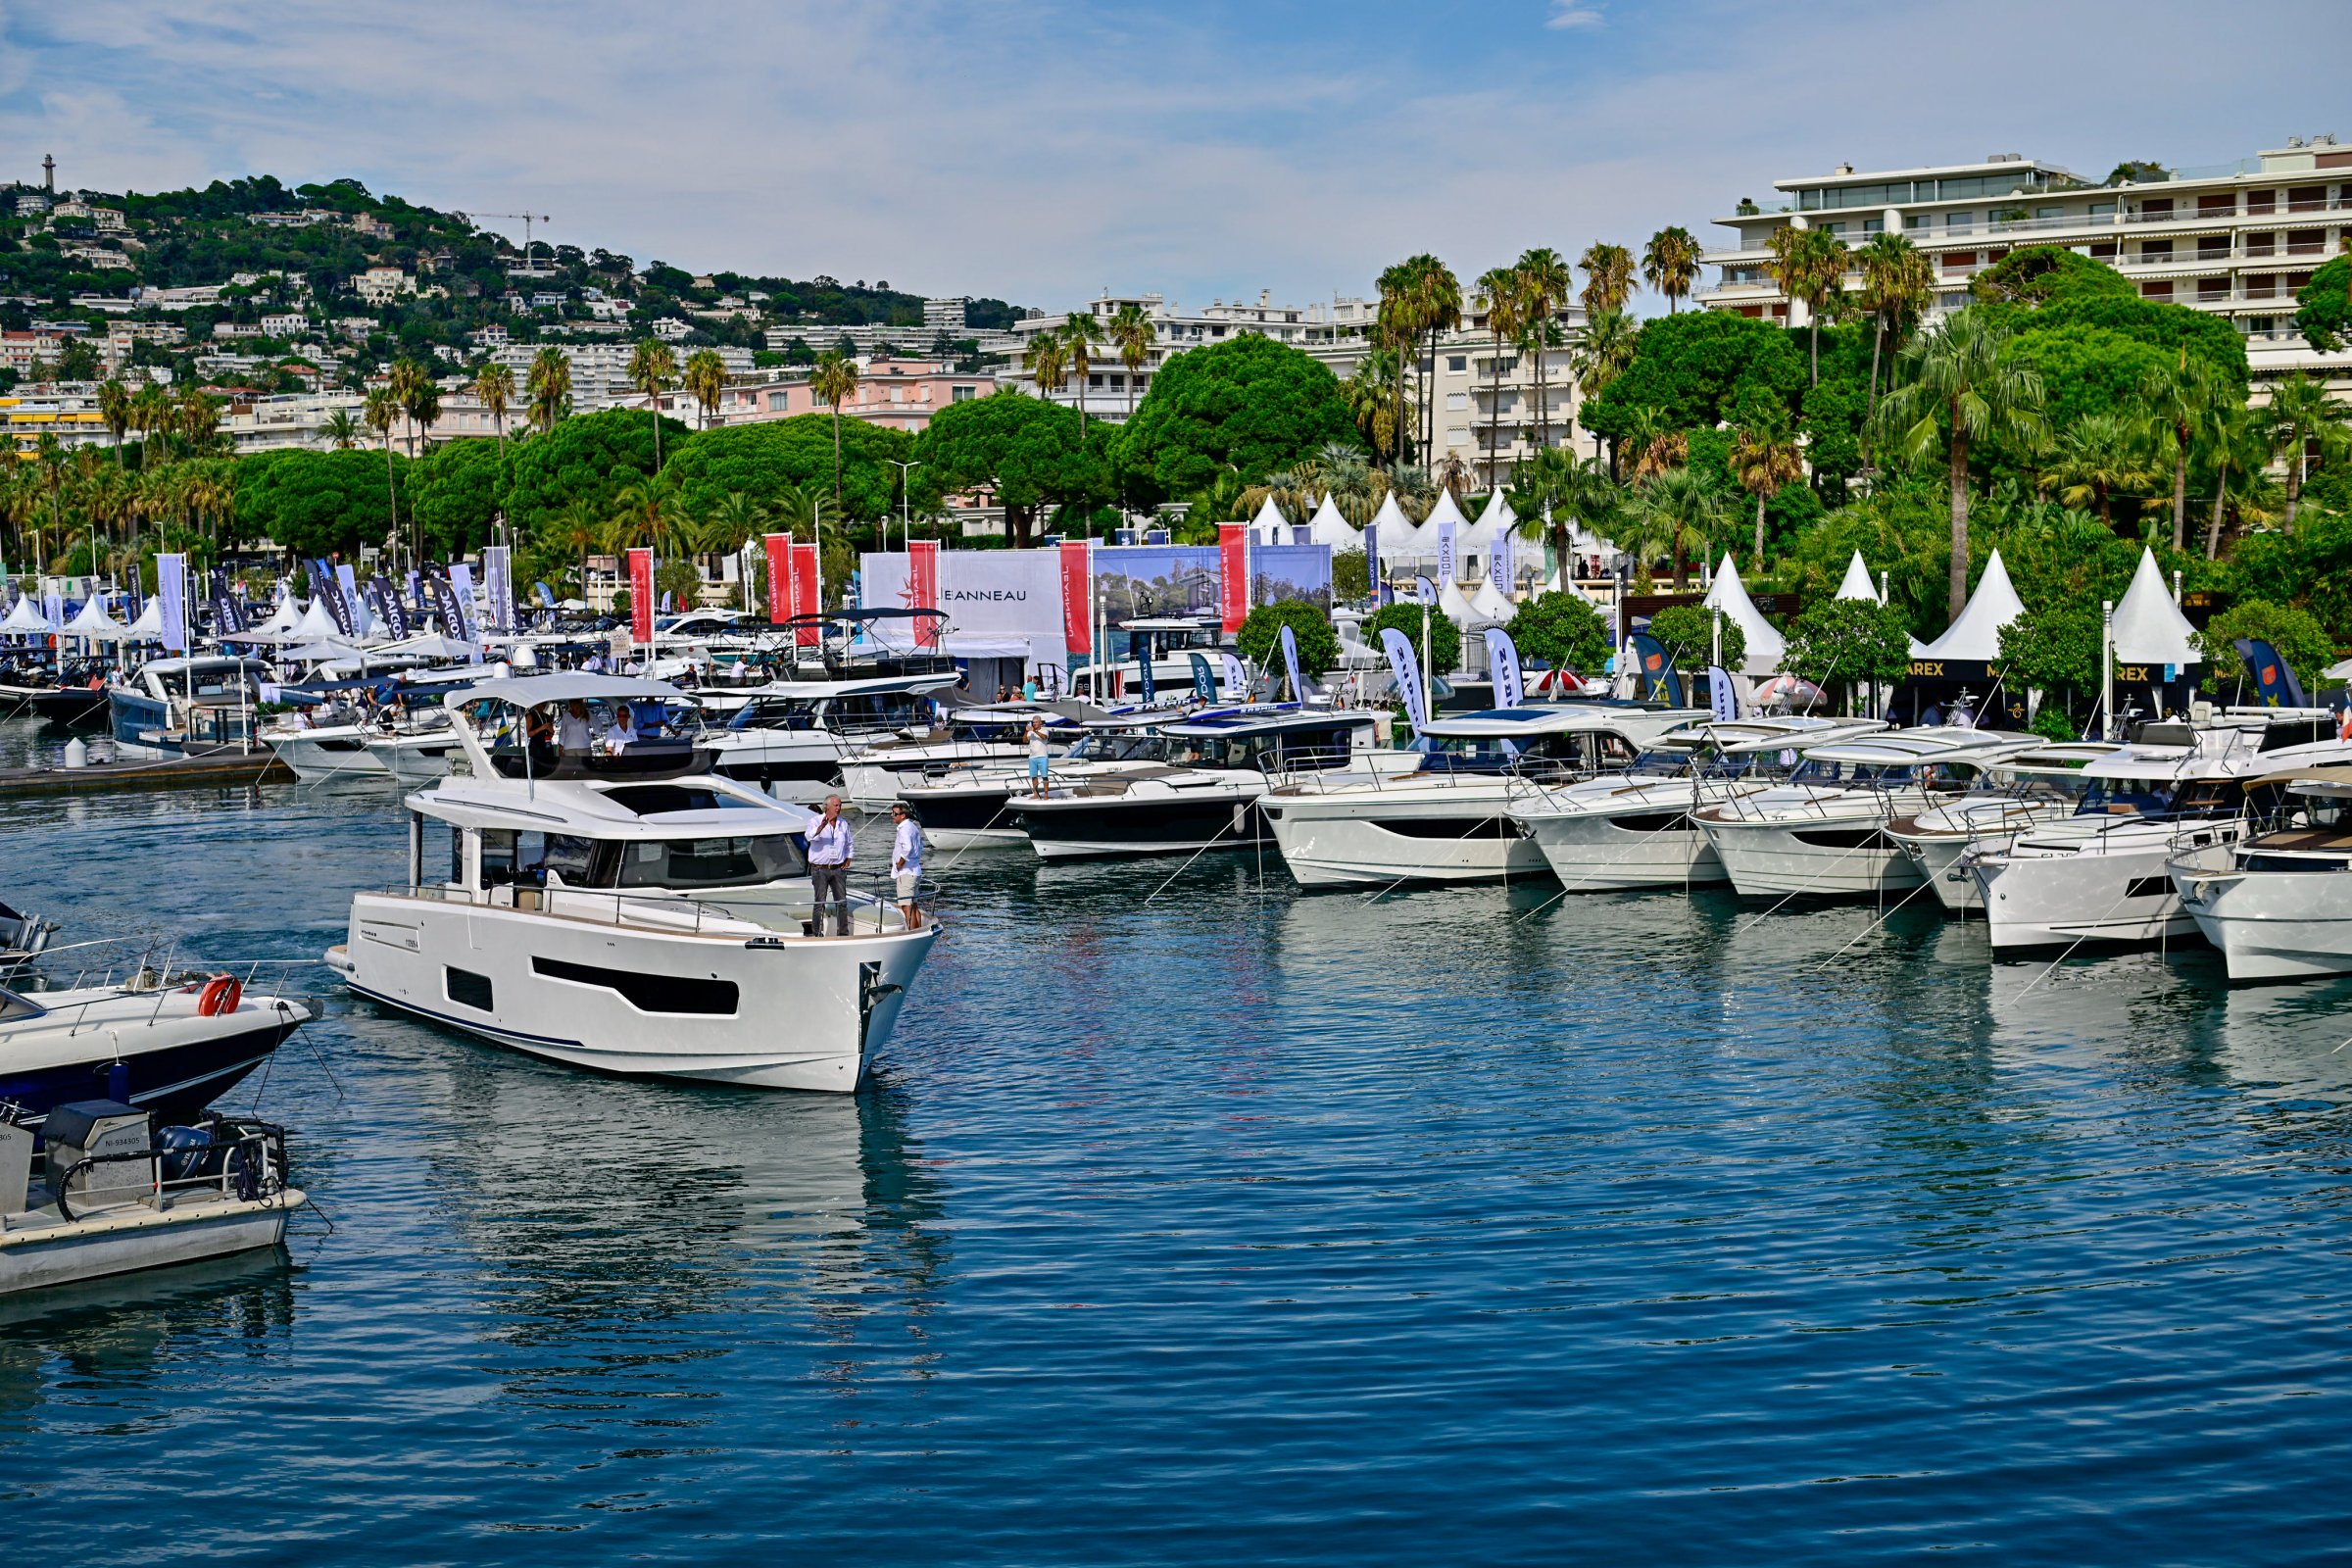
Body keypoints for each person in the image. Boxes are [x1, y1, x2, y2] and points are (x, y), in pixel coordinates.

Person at [806, 795, 854, 937]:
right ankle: (816, 933)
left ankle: (843, 933)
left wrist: (849, 857)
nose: (839, 808)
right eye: (836, 805)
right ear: (827, 806)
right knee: (819, 903)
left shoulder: (843, 823)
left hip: (838, 869)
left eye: (840, 805)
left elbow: (849, 843)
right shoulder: (815, 821)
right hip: (820, 869)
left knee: (842, 902)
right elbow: (808, 837)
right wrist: (820, 828)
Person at [889, 802, 926, 931]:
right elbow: (920, 846)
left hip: (906, 872)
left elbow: (908, 847)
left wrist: (900, 863)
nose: (891, 815)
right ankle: (918, 931)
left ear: (903, 815)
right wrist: (914, 860)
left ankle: (912, 933)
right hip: (914, 870)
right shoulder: (912, 827)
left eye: (895, 813)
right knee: (914, 906)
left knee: (906, 907)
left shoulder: (904, 829)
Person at [1024, 715, 1051, 799]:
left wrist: (1034, 731)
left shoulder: (1045, 730)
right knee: (1033, 776)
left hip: (1042, 756)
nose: (1034, 724)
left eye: (1036, 722)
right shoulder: (1030, 732)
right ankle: (1036, 794)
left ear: (1040, 723)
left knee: (1044, 776)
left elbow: (1044, 737)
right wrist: (1026, 731)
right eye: (1033, 722)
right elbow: (1024, 740)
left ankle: (1046, 794)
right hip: (1032, 757)